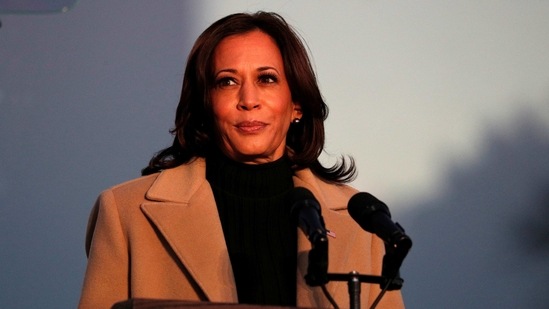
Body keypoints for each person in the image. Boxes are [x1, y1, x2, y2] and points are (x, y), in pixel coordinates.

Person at [78, 11, 405, 309]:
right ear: (205, 106)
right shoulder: (124, 213)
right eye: (227, 82)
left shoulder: (361, 224)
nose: (248, 100)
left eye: (267, 79)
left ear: (297, 105)